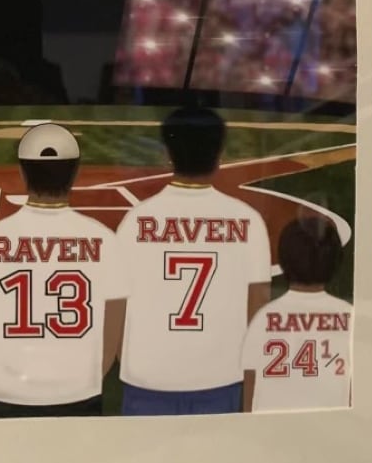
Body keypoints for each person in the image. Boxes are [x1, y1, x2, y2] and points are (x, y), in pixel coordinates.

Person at [0, 123, 128, 418]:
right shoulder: (104, 240)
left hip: (3, 397)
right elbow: (112, 335)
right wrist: (83, 383)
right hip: (79, 396)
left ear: (23, 173)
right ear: (75, 172)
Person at [115, 106, 271, 415]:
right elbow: (258, 312)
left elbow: (118, 306)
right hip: (221, 377)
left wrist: (131, 361)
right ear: (220, 153)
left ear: (167, 154)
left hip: (147, 379)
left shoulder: (135, 221)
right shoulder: (248, 221)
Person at [241, 216, 352, 412]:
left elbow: (250, 397)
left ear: (284, 261)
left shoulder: (263, 318)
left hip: (272, 436)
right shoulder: (350, 317)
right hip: (330, 434)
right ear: (335, 261)